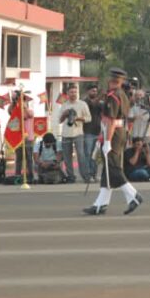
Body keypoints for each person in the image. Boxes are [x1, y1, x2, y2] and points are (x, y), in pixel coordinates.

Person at [84, 68, 143, 216]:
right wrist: (101, 138)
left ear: (112, 80)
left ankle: (134, 195)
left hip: (113, 133)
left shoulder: (113, 96)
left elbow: (110, 121)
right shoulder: (122, 95)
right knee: (108, 170)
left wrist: (107, 141)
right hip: (118, 132)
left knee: (113, 167)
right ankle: (100, 204)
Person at [55, 84, 90, 183]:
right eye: (71, 92)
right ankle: (71, 176)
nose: (73, 94)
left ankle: (85, 176)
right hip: (66, 134)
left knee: (81, 155)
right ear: (67, 94)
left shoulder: (82, 104)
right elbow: (59, 121)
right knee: (67, 157)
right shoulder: (64, 105)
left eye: (75, 92)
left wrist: (77, 118)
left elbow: (89, 118)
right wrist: (64, 114)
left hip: (78, 133)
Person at [11, 92, 36, 184]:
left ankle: (31, 175)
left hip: (28, 137)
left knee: (29, 157)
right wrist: (14, 102)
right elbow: (10, 111)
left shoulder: (30, 111)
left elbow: (27, 116)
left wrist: (23, 106)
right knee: (19, 158)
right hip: (18, 138)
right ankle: (17, 175)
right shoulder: (16, 111)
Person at [82, 86, 103, 182]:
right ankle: (88, 175)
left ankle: (94, 174)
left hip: (97, 131)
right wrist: (100, 96)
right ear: (88, 91)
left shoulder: (99, 103)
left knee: (95, 154)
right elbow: (92, 105)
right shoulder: (85, 102)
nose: (94, 92)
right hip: (88, 132)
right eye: (92, 90)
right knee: (88, 154)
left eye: (96, 91)